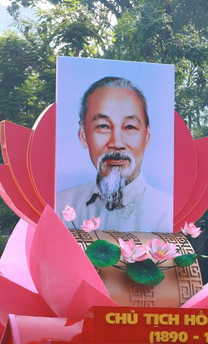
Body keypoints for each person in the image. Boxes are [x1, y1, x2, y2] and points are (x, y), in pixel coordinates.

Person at [57, 76, 172, 232]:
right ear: (83, 135)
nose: (116, 143)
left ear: (147, 137)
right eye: (103, 126)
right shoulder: (60, 206)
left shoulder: (167, 211)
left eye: (130, 127)